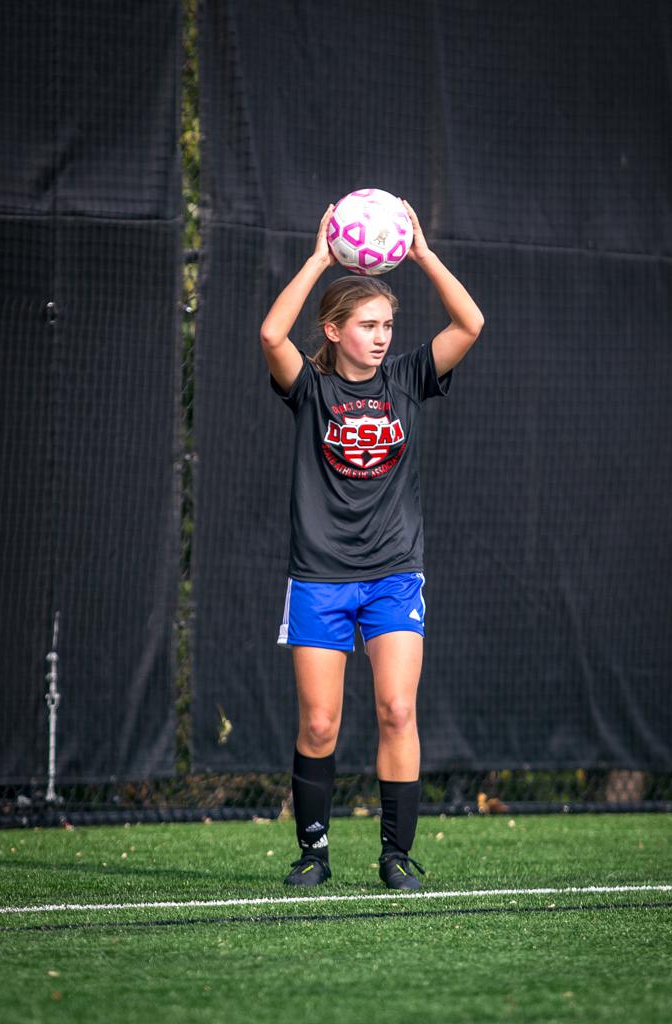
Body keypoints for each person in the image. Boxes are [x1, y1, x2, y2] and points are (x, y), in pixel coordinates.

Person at [260, 199, 483, 889]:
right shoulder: (312, 388)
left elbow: (470, 323)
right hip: (320, 578)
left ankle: (395, 854)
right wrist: (322, 256)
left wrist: (420, 252)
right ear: (333, 330)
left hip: (392, 574)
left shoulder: (408, 379)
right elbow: (272, 334)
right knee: (320, 725)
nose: (382, 336)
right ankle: (314, 853)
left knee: (396, 709)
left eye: (388, 324)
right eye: (367, 325)